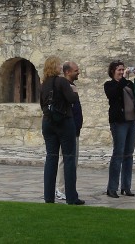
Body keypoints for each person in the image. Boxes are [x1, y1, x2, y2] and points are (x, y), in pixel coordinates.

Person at [39, 56, 84, 205]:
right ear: (55, 67)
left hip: (48, 122)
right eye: (58, 64)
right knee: (69, 158)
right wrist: (75, 91)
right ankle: (71, 197)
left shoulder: (43, 84)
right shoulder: (62, 82)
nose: (60, 66)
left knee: (51, 157)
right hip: (65, 122)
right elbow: (72, 99)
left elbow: (41, 104)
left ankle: (48, 196)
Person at [104, 60, 135, 198]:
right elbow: (113, 95)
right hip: (119, 122)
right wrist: (123, 79)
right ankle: (112, 187)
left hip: (132, 120)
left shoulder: (128, 83)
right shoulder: (109, 85)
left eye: (122, 69)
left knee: (128, 154)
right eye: (119, 70)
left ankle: (126, 186)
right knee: (118, 153)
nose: (121, 72)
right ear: (113, 71)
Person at [56, 61, 83, 201]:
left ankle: (69, 188)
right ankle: (61, 189)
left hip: (74, 129)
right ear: (68, 72)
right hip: (68, 129)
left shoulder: (71, 86)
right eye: (76, 70)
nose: (78, 72)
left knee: (72, 161)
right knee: (66, 159)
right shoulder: (64, 87)